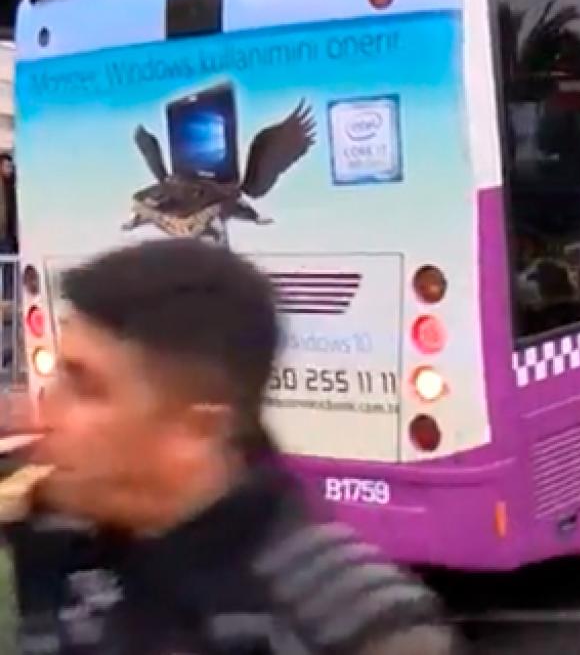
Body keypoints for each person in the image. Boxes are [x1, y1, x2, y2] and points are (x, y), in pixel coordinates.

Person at [3, 239, 459, 654]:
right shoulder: (60, 548)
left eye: (87, 388)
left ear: (197, 430)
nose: (45, 414)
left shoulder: (355, 626)